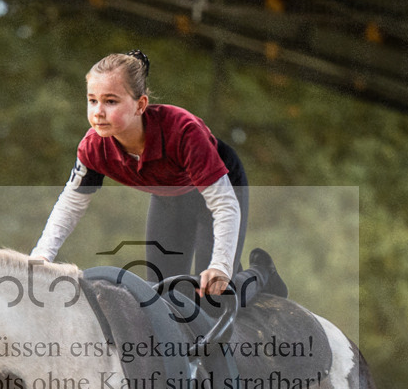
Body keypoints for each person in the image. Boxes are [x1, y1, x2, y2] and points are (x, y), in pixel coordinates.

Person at [31, 50, 287, 297]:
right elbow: (70, 204)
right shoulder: (93, 147)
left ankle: (262, 272)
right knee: (162, 299)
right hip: (170, 198)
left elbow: (224, 204)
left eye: (111, 101)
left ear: (140, 105)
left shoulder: (183, 131)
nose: (98, 111)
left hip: (220, 192)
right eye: (92, 100)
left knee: (213, 295)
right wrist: (41, 257)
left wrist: (220, 266)